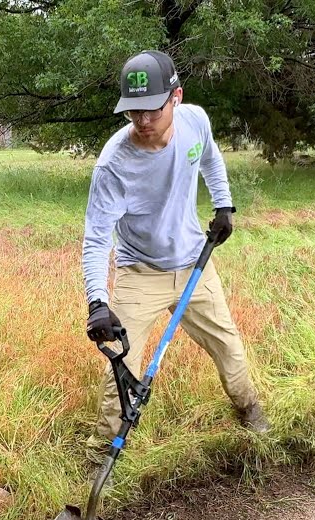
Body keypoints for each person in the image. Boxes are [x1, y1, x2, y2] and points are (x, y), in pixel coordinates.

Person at [82, 49, 268, 442]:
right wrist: (97, 302)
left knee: (228, 346)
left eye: (152, 109)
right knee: (121, 368)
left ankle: (250, 409)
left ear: (176, 98)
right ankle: (102, 452)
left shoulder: (195, 121)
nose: (143, 121)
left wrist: (223, 205)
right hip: (140, 272)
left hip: (193, 265)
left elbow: (211, 159)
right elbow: (97, 238)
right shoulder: (113, 165)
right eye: (134, 112)